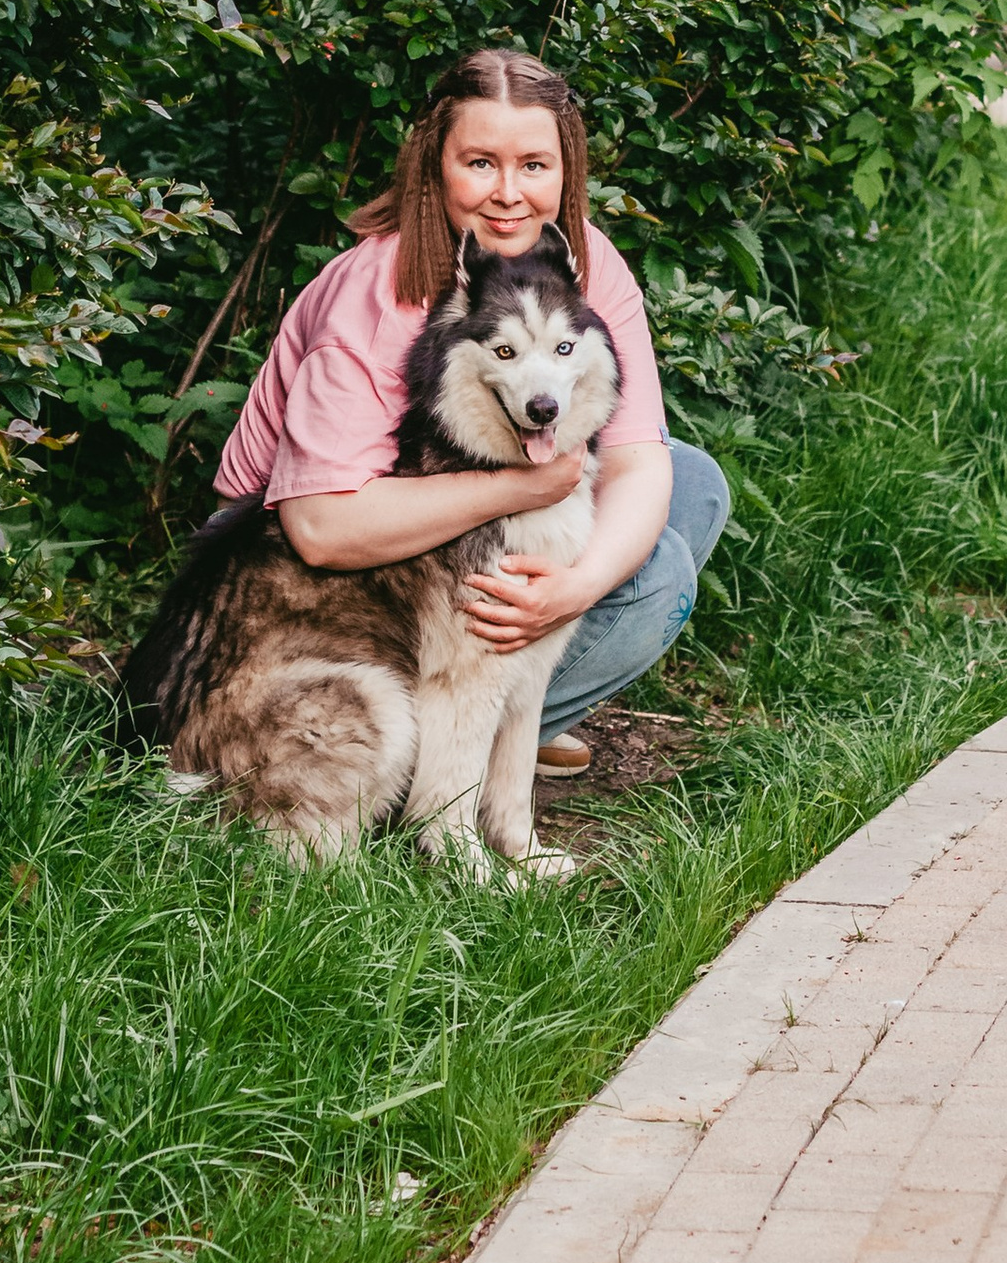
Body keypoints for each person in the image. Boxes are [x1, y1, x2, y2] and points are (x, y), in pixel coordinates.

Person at [210, 48, 731, 770]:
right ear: (433, 165)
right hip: (295, 590)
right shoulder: (372, 298)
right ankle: (392, 761)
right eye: (481, 163)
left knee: (692, 484)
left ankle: (505, 729)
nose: (509, 193)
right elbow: (319, 529)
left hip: (443, 525)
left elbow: (640, 458)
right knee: (660, 573)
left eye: (535, 166)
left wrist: (573, 590)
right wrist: (526, 486)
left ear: (567, 171)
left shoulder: (584, 263)